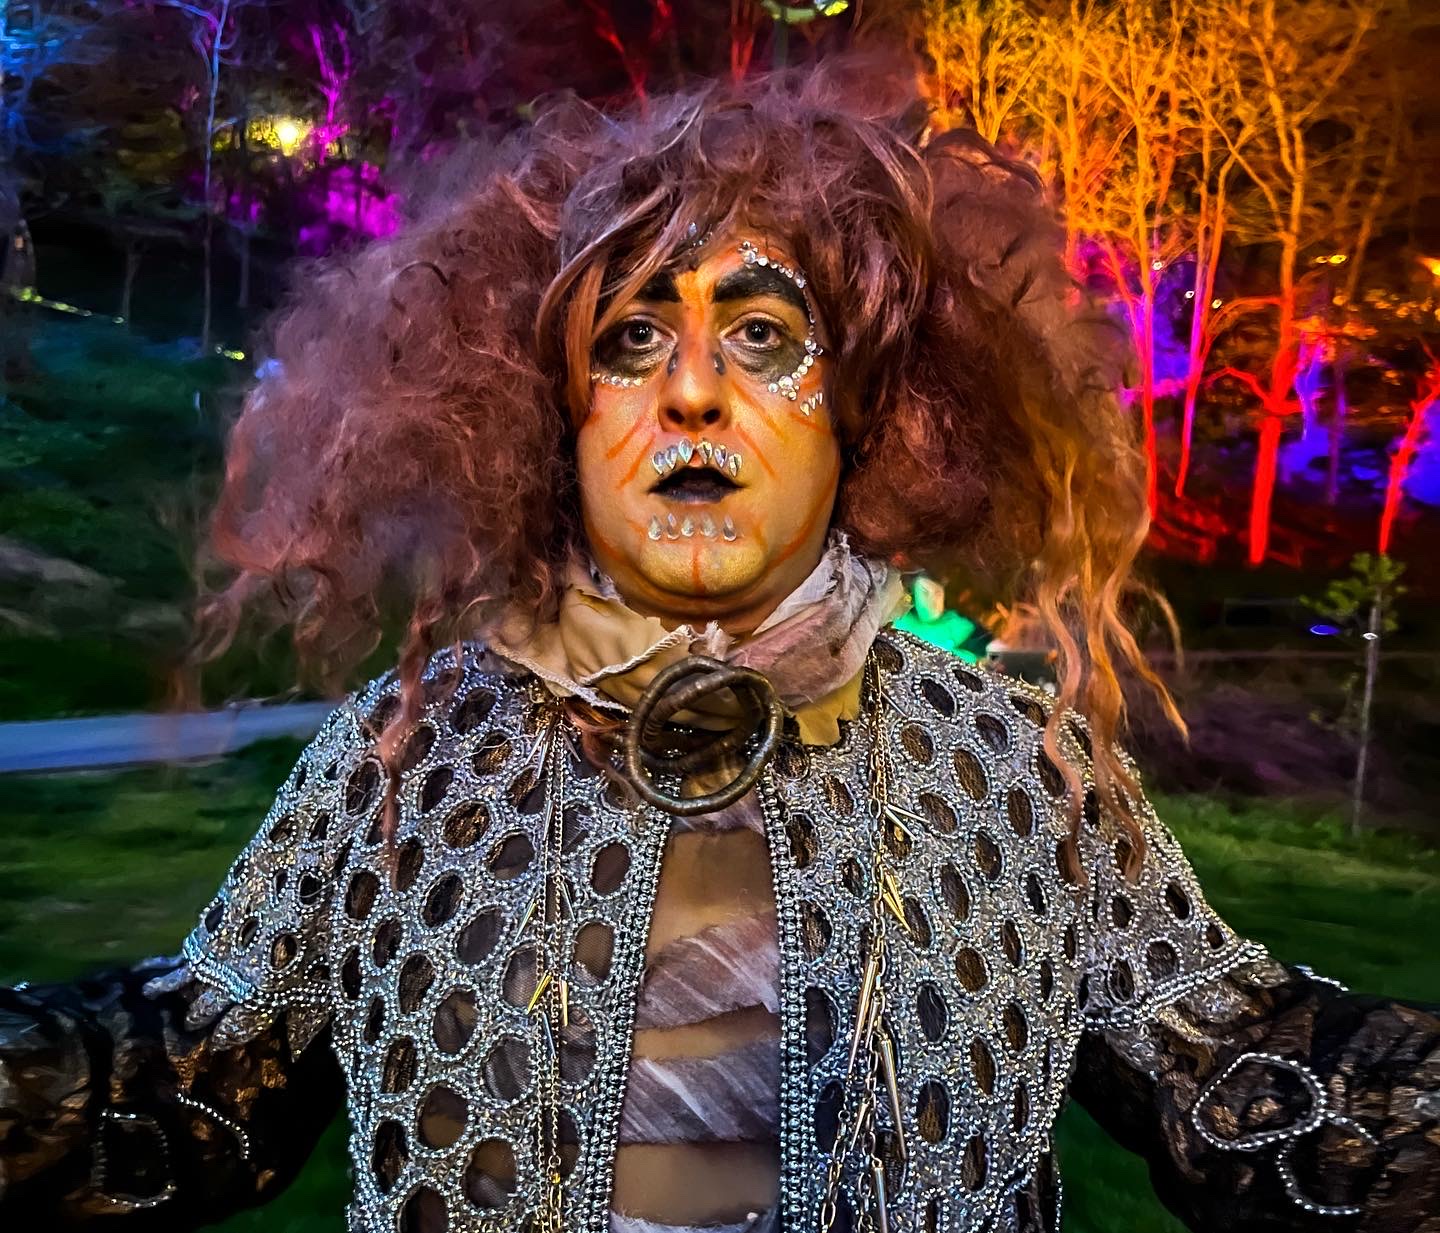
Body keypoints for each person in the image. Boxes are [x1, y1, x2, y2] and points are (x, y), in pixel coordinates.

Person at [2, 61, 1436, 1233]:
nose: (691, 392)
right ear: (546, 414)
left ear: (866, 408)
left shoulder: (1018, 771)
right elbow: (188, 1076)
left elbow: (1250, 1080)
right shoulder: (403, 758)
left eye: (761, 336)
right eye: (630, 341)